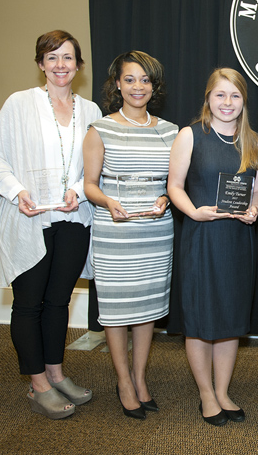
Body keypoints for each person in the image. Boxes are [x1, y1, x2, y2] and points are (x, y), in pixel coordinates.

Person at [0, 30, 101, 419]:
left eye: (68, 57)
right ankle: (38, 383)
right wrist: (16, 192)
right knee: (29, 304)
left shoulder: (92, 112)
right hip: (30, 220)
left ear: (78, 65)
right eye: (52, 58)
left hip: (73, 220)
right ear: (40, 65)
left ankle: (56, 372)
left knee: (59, 301)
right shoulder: (19, 104)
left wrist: (80, 190)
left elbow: (101, 165)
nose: (60, 65)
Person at [167, 68, 258, 426]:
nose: (227, 103)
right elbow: (174, 185)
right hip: (202, 237)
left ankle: (223, 391)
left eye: (235, 96)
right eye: (220, 95)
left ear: (243, 101)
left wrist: (255, 209)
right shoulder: (190, 136)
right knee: (200, 319)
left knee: (230, 319)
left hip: (238, 241)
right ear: (208, 98)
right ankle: (206, 395)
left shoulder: (255, 141)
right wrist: (195, 211)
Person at [83, 51, 177, 420]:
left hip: (155, 231)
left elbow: (175, 184)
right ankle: (123, 381)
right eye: (130, 79)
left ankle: (140, 378)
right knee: (118, 310)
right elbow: (89, 185)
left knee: (147, 308)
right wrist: (108, 201)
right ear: (117, 84)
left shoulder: (170, 131)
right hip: (115, 230)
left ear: (154, 86)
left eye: (145, 80)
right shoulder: (100, 128)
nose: (138, 87)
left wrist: (165, 198)